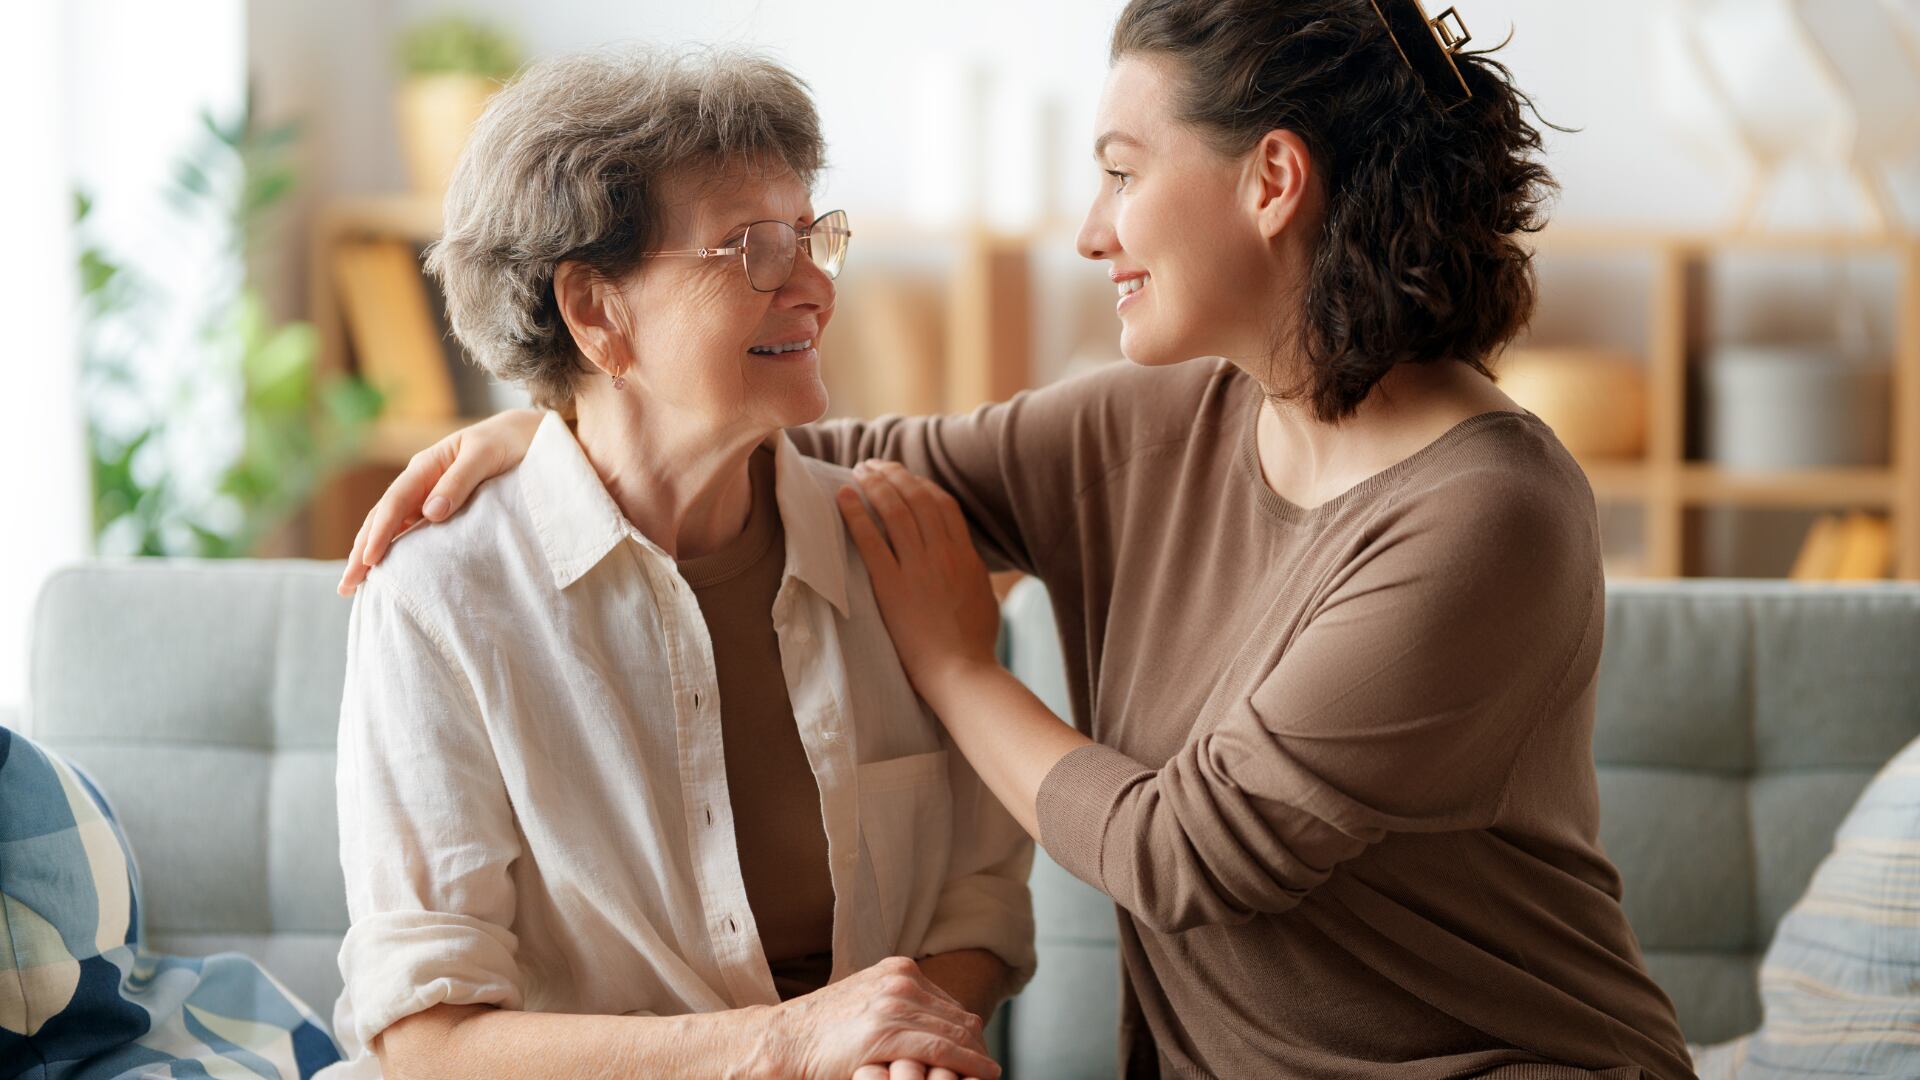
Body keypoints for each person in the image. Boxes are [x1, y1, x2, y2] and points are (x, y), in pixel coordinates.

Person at [341, 1, 1697, 1075]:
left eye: (1120, 171)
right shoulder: (1149, 429)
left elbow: (1187, 854)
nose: (1090, 228)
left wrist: (957, 665)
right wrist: (556, 427)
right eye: (756, 248)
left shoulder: (1486, 516)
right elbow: (799, 456)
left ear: (1275, 180)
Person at [322, 46, 1033, 1080]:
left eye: (812, 237)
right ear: (596, 312)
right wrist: (786, 1047)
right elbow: (425, 1038)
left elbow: (981, 900)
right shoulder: (442, 593)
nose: (816, 288)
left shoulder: (896, 545)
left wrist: (898, 1048)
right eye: (753, 249)